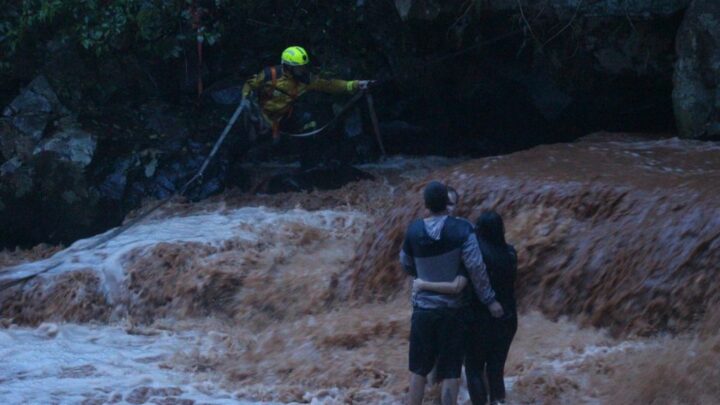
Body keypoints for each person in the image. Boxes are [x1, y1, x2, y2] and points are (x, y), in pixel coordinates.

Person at [400, 181, 503, 405]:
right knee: (451, 371)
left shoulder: (413, 230)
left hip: (423, 310)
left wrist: (424, 277)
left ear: (426, 204)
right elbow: (476, 268)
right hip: (452, 311)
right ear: (447, 204)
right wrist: (489, 299)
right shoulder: (462, 229)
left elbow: (405, 263)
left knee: (418, 371)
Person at [415, 210, 518, 405]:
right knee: (496, 369)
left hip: (480, 319)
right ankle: (499, 401)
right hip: (508, 318)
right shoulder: (511, 253)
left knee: (474, 368)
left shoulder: (475, 253)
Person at [241, 46, 374, 144]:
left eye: (303, 67)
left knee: (312, 120)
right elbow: (250, 84)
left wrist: (355, 84)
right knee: (249, 138)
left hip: (284, 118)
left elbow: (329, 85)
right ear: (288, 67)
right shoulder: (270, 74)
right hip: (261, 116)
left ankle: (307, 163)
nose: (302, 70)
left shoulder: (306, 79)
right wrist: (246, 99)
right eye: (299, 67)